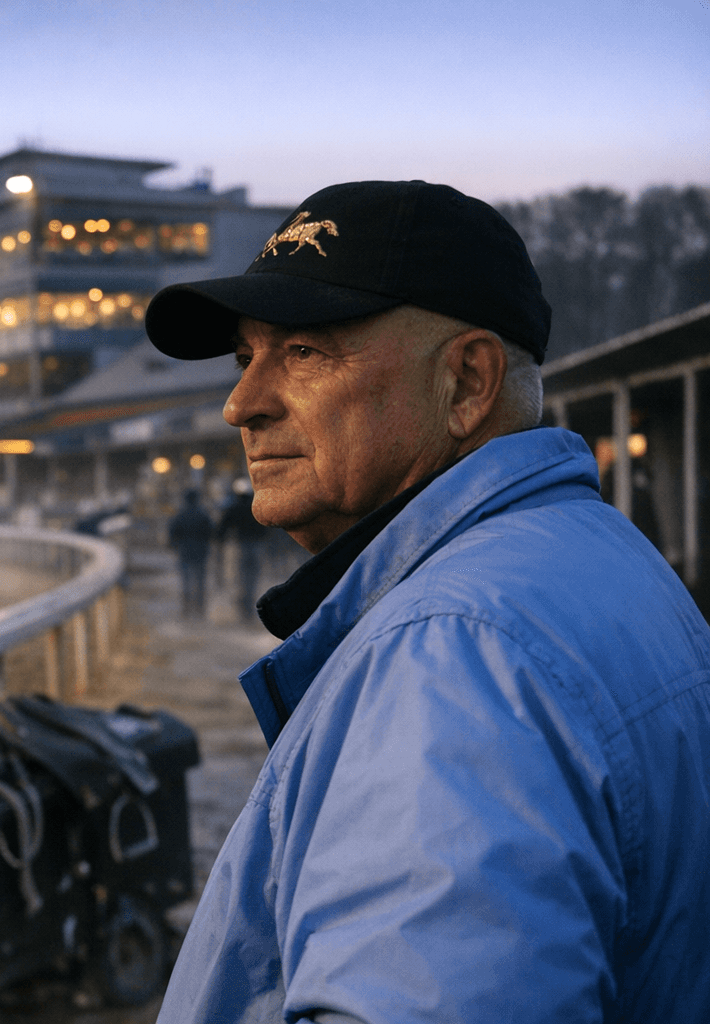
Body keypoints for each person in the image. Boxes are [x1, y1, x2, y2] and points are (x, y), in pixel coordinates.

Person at [142, 180, 710, 1022]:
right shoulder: (599, 558)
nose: (242, 404)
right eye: (244, 356)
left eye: (302, 352)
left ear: (467, 384)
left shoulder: (453, 652)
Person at [215, 477, 268, 623]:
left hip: (241, 546)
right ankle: (250, 607)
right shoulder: (257, 506)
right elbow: (267, 527)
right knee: (253, 577)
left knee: (240, 577)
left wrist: (220, 542)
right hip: (257, 546)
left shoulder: (233, 507)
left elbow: (222, 528)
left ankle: (243, 606)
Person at [167, 489, 213, 617]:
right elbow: (211, 531)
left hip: (185, 551)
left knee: (186, 581)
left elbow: (173, 532)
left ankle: (186, 608)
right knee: (200, 581)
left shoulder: (181, 514)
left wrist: (174, 545)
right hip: (201, 551)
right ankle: (200, 608)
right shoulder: (203, 514)